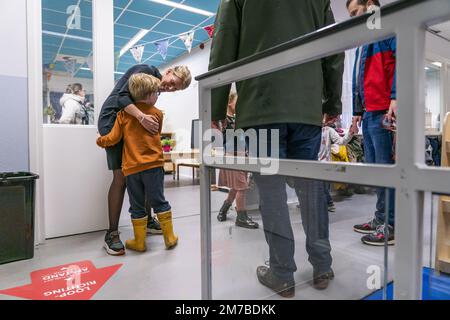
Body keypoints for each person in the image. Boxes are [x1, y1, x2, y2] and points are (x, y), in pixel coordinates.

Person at [209, 0, 344, 297]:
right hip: (306, 110)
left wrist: (215, 105)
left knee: (271, 193)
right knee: (311, 189)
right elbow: (333, 49)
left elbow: (223, 46)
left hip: (261, 108)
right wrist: (332, 102)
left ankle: (282, 273)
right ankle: (322, 264)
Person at [98, 64, 191, 256]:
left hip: (132, 122)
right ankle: (112, 234)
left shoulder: (155, 87)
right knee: (122, 177)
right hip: (113, 119)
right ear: (168, 72)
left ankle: (147, 221)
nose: (170, 88)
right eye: (173, 83)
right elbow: (122, 97)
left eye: (175, 89)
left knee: (144, 171)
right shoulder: (146, 70)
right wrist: (141, 117)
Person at [347, 0, 396, 246]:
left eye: (356, 12)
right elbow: (359, 78)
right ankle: (380, 219)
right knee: (376, 172)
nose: (354, 18)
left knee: (387, 171)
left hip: (384, 112)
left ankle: (391, 224)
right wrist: (357, 111)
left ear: (369, 5)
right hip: (368, 113)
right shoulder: (363, 43)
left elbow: (401, 63)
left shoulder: (388, 28)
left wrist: (396, 97)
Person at [215, 92, 259, 229]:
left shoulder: (238, 118)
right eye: (237, 102)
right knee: (242, 188)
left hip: (242, 155)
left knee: (236, 187)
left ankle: (223, 209)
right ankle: (241, 217)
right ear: (229, 103)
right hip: (232, 156)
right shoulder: (224, 119)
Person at [318, 122, 354, 212]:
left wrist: (350, 132)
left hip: (324, 165)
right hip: (312, 164)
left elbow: (341, 142)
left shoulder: (328, 130)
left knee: (323, 186)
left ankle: (329, 204)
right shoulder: (308, 130)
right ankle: (326, 203)